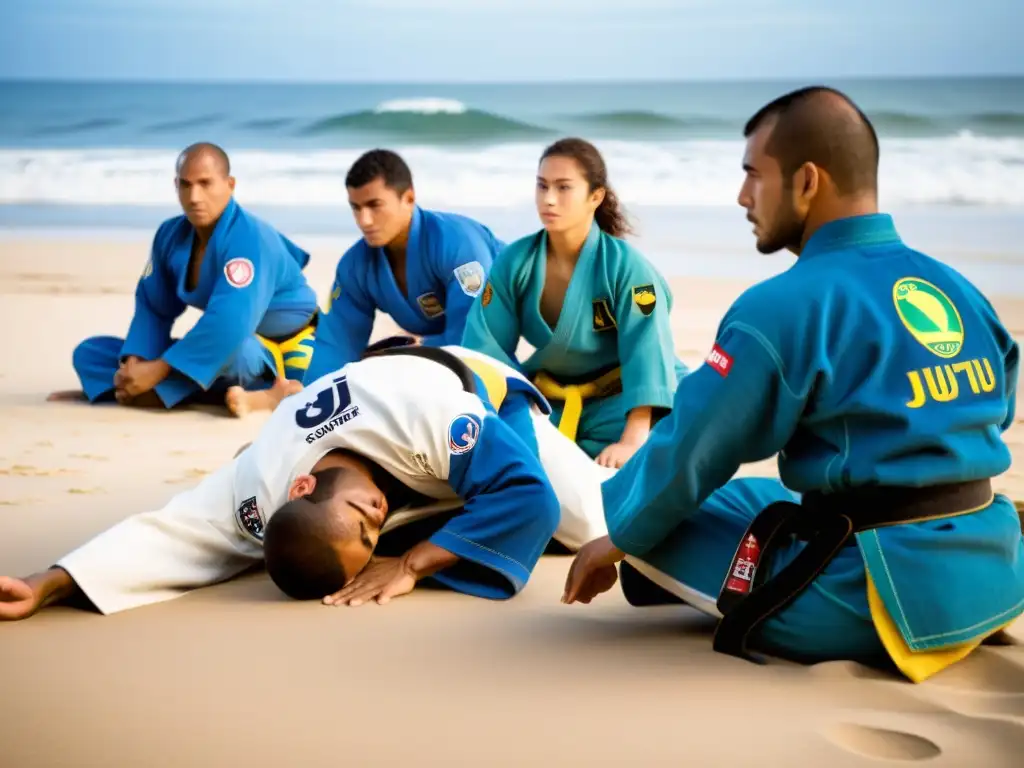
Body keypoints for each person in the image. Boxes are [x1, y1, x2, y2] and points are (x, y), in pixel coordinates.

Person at [562, 86, 1024, 684]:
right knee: (735, 499)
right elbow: (1000, 404)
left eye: (754, 174)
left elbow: (695, 445)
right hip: (992, 563)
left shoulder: (779, 307)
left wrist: (617, 538)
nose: (742, 196)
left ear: (807, 181)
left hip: (878, 597)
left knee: (652, 522)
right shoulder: (955, 286)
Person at [1, 345, 613, 621]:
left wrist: (412, 563)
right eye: (374, 532)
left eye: (361, 516)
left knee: (592, 520)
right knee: (223, 529)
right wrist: (50, 582)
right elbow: (173, 531)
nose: (373, 512)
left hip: (476, 394)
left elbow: (528, 494)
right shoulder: (261, 483)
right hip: (407, 469)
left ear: (304, 491)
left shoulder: (420, 411)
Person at [461, 137, 687, 469]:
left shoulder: (627, 267)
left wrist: (633, 438)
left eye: (563, 188)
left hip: (629, 399)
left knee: (662, 454)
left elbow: (647, 346)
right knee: (505, 456)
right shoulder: (515, 262)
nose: (549, 199)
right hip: (552, 400)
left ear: (595, 196)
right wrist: (508, 405)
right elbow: (484, 347)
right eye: (542, 186)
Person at [47, 143, 319, 416]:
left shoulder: (249, 239)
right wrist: (135, 363)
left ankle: (149, 391)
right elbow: (153, 308)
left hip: (277, 346)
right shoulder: (170, 234)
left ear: (230, 184)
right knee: (89, 353)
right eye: (186, 185)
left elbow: (229, 323)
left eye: (205, 184)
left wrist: (158, 369)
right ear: (175, 185)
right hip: (218, 346)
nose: (195, 197)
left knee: (238, 353)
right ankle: (153, 390)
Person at [300, 149, 506, 385]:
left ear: (408, 198)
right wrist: (311, 397)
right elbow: (336, 346)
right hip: (451, 349)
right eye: (356, 207)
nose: (364, 220)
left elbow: (476, 339)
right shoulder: (355, 266)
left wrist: (411, 352)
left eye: (374, 205)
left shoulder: (457, 243)